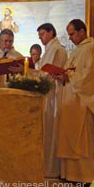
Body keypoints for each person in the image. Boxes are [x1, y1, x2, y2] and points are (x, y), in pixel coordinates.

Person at [56, 19, 94, 183]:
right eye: (69, 35)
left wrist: (70, 76)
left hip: (83, 104)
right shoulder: (77, 51)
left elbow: (91, 77)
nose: (71, 38)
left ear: (82, 31)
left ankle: (86, 176)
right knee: (71, 138)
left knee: (83, 141)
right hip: (72, 102)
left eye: (72, 34)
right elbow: (72, 73)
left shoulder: (91, 48)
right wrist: (63, 76)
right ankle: (71, 174)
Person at [36, 23, 67, 178]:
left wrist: (30, 74)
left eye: (42, 34)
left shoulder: (55, 49)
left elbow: (46, 73)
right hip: (49, 93)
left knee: (51, 130)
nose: (40, 37)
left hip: (52, 94)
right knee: (48, 130)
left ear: (51, 32)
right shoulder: (51, 49)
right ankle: (47, 166)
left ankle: (51, 168)